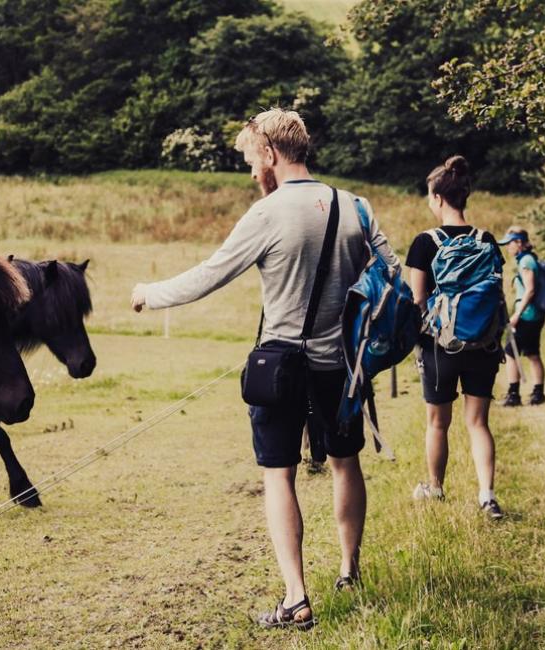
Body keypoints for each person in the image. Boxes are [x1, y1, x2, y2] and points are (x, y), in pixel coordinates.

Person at [130, 108, 398, 630]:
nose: (253, 172)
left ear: (272, 153)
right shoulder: (357, 206)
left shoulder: (269, 213)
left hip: (281, 365)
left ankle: (296, 598)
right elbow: (389, 274)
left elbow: (210, 275)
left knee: (279, 475)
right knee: (346, 462)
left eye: (253, 160)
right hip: (341, 366)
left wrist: (149, 294)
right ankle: (349, 570)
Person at [403, 155, 505, 521]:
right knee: (478, 422)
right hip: (483, 343)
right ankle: (487, 496)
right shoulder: (487, 239)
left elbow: (416, 301)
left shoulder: (424, 243)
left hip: (439, 345)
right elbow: (498, 294)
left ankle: (436, 488)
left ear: (438, 198)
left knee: (437, 423)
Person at [500, 226, 545, 407]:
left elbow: (530, 290)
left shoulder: (526, 261)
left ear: (519, 243)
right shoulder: (529, 259)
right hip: (535, 314)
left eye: (510, 243)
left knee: (510, 353)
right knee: (532, 353)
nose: (508, 247)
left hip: (527, 315)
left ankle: (514, 395)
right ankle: (538, 393)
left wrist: (517, 314)